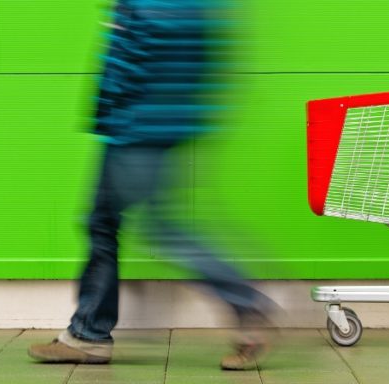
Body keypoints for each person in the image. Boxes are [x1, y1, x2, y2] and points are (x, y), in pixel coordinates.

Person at [28, 0, 274, 370]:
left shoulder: (150, 5)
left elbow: (124, 66)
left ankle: (246, 304)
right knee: (101, 222)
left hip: (136, 128)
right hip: (150, 125)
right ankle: (88, 334)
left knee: (163, 230)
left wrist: (109, 114)